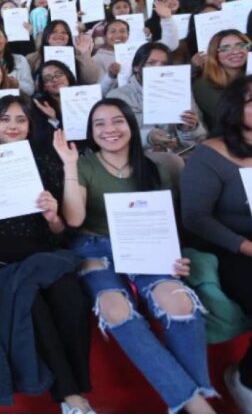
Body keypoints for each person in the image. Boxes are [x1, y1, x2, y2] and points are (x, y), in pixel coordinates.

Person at [54, 99, 216, 414]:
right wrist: (69, 166)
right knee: (113, 308)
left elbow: (165, 222)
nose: (109, 130)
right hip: (92, 246)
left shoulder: (155, 166)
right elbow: (73, 220)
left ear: (130, 124)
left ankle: (190, 400)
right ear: (90, 130)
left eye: (117, 121)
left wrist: (175, 256)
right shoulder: (84, 164)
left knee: (179, 301)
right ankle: (197, 403)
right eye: (99, 124)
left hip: (146, 246)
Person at [0, 96, 93, 413]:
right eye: (5, 119)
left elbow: (62, 229)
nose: (12, 126)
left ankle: (75, 390)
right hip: (1, 259)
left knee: (72, 297)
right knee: (30, 302)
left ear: (29, 125)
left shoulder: (47, 159)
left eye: (20, 119)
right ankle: (71, 397)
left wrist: (52, 218)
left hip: (43, 253)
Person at [181, 76, 252, 412]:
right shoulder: (209, 154)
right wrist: (245, 246)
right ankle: (244, 379)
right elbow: (195, 218)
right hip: (229, 248)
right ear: (234, 108)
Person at [194, 30, 251, 132]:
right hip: (228, 140)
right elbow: (229, 117)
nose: (236, 52)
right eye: (225, 48)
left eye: (241, 45)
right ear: (215, 54)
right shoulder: (203, 84)